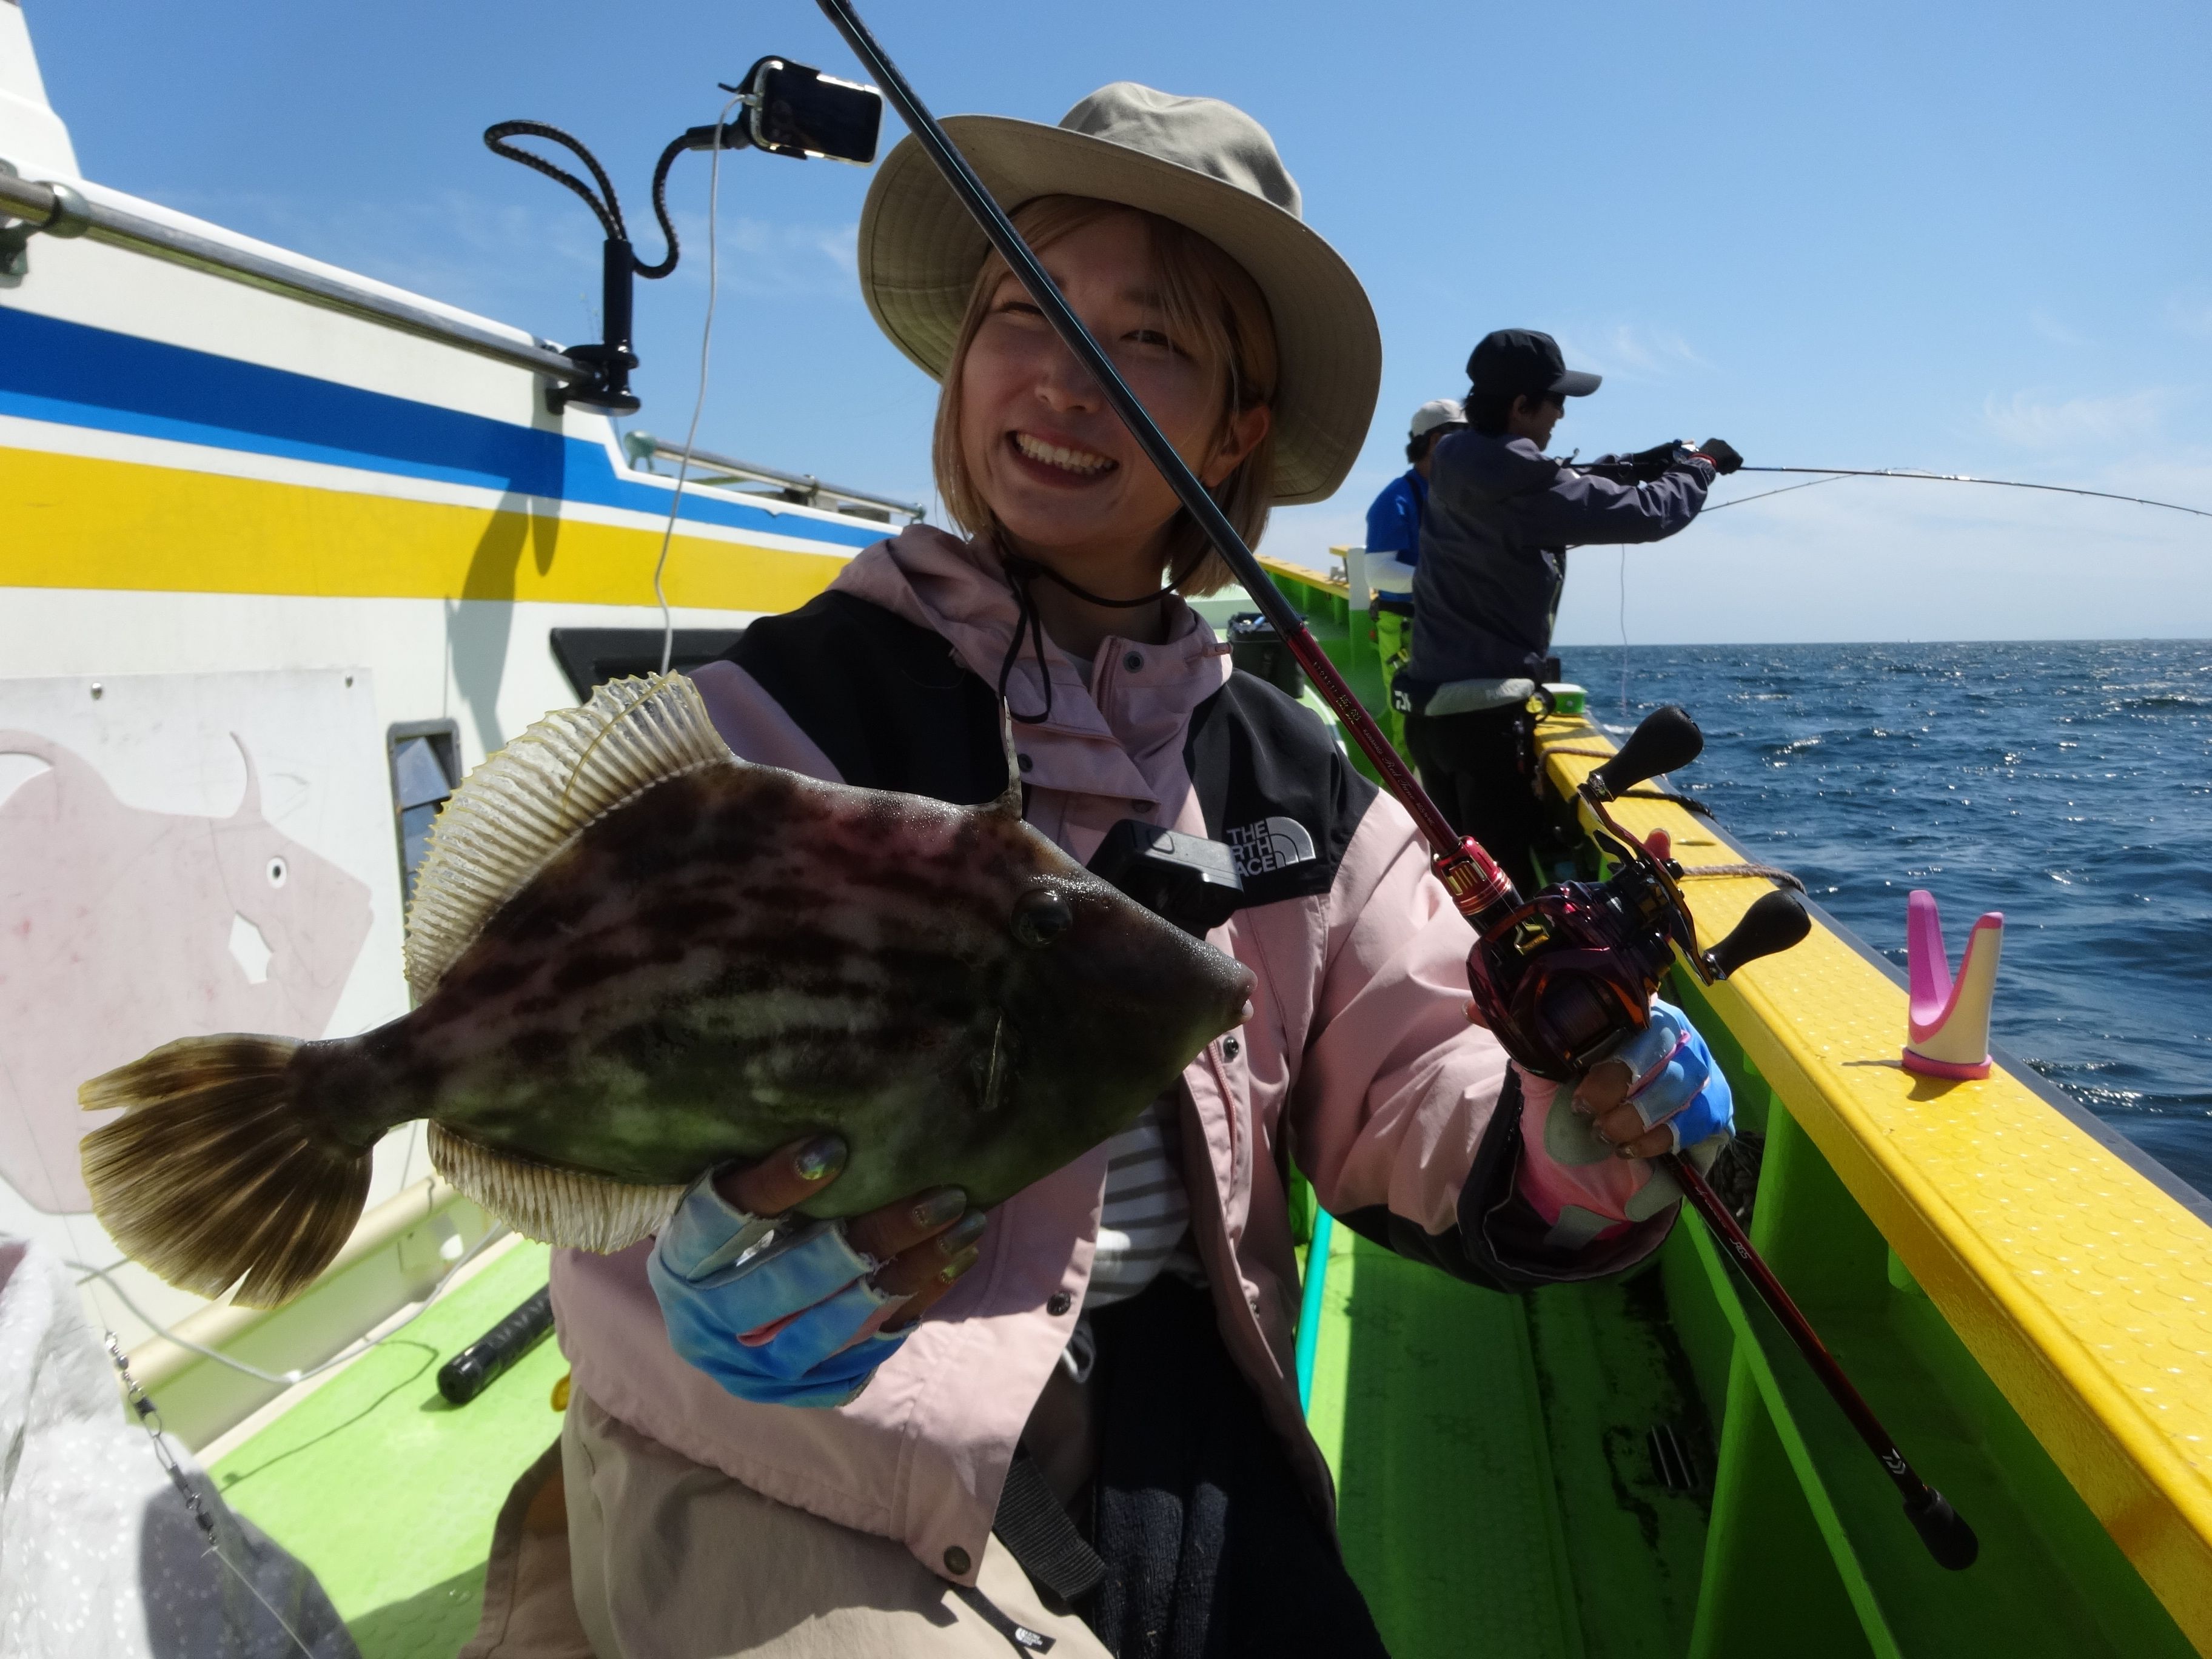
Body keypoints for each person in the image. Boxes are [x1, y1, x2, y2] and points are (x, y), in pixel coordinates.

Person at [530, 90, 1735, 1659]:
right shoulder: (776, 721)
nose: (1061, 375)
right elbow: (597, 1056)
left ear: (1234, 429)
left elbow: (1413, 1071)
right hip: (795, 1428)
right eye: (1020, 313)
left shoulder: (1295, 776)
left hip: (1171, 1397)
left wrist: (1567, 1135)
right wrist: (673, 1262)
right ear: (962, 366)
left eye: (1148, 340)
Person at [1394, 329, 1741, 894]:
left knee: (1461, 884)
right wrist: (1700, 466)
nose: (1561, 413)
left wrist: (1636, 463)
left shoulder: (1458, 458)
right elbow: (1650, 514)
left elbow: (1560, 482)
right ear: (1521, 405)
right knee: (1505, 896)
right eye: (1556, 400)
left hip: (1430, 719)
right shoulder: (1519, 484)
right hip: (1484, 727)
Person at [1361, 398, 1465, 571]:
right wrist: (1444, 581)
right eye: (1463, 435)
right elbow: (1378, 572)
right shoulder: (1395, 499)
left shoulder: (1465, 493)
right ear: (1435, 441)